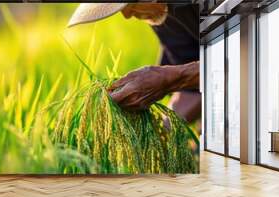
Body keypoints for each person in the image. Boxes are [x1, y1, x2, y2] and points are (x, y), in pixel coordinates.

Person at [68, 3, 201, 125]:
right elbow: (192, 90)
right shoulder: (161, 14)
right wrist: (161, 133)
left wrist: (168, 79)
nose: (127, 15)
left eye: (131, 2)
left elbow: (220, 66)